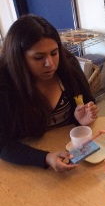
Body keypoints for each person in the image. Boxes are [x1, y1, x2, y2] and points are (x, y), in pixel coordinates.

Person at [0, 14, 99, 172]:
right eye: (38, 58)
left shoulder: (68, 67)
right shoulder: (5, 83)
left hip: (69, 154)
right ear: (18, 59)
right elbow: (3, 145)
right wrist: (45, 157)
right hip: (27, 161)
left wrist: (81, 118)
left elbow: (87, 101)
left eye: (54, 53)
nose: (50, 64)